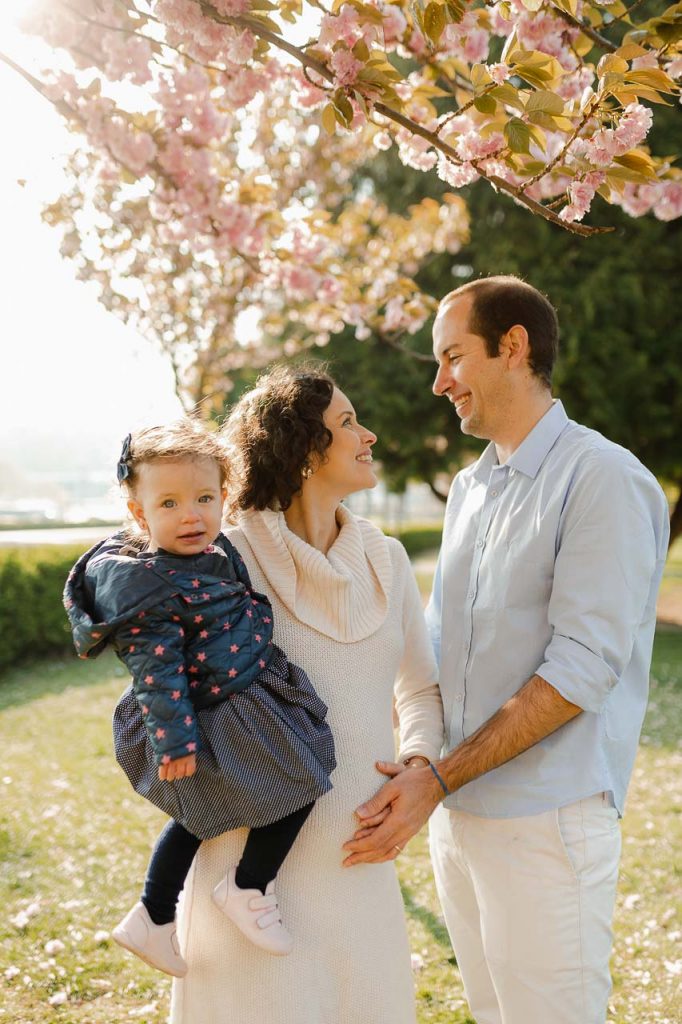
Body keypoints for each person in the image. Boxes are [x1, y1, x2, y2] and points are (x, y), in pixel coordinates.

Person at [343, 276, 670, 1024]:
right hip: (457, 815)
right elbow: (434, 650)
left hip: (545, 823)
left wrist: (438, 779)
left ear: (513, 346)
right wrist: (421, 766)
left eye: (453, 356)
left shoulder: (603, 478)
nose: (439, 383)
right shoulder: (470, 488)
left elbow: (581, 670)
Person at [168, 365, 444, 1024]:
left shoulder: (387, 559)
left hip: (361, 868)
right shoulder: (225, 559)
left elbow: (421, 689)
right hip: (248, 884)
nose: (368, 435)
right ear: (303, 449)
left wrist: (418, 769)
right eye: (348, 423)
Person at [63, 419, 337, 978]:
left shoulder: (212, 551)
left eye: (204, 498)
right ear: (140, 513)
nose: (191, 515)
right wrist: (174, 740)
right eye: (169, 503)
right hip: (198, 715)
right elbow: (155, 670)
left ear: (223, 497)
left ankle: (153, 915)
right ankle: (246, 886)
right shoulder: (143, 585)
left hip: (231, 697)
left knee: (207, 811)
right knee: (297, 781)